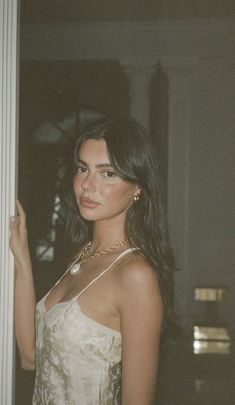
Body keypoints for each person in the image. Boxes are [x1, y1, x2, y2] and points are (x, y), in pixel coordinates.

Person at [10, 116, 175, 405]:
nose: (87, 185)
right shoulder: (82, 255)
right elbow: (29, 357)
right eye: (83, 168)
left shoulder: (135, 274)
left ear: (137, 187)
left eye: (107, 173)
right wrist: (22, 260)